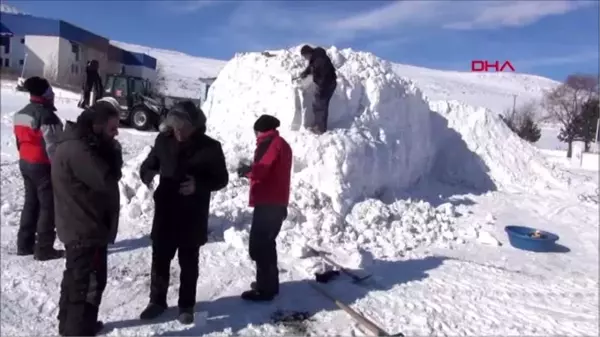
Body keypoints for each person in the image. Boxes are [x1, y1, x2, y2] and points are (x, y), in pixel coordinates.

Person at [138, 101, 229, 324]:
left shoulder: (211, 147)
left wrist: (198, 184)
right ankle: (157, 301)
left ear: (195, 126)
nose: (177, 131)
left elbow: (222, 179)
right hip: (166, 211)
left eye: (182, 127)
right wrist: (147, 173)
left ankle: (186, 305)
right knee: (160, 259)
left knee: (189, 262)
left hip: (192, 214)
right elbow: (150, 163)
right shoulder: (163, 140)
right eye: (174, 126)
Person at [52, 97, 123, 337]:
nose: (116, 134)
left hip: (79, 223)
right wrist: (113, 153)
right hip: (85, 228)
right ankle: (77, 331)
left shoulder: (78, 143)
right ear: (98, 125)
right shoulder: (80, 150)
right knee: (87, 283)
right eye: (113, 129)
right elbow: (107, 180)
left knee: (75, 278)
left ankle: (72, 326)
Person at [236, 114, 292, 301]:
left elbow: (263, 169)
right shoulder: (280, 143)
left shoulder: (270, 143)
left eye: (256, 131)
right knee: (266, 244)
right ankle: (268, 284)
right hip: (275, 202)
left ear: (261, 130)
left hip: (269, 203)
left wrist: (247, 171)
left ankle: (265, 289)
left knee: (261, 246)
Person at [13, 76, 64, 260]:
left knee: (30, 203)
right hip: (43, 165)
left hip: (25, 163)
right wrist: (59, 170)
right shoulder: (47, 116)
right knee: (47, 206)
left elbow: (19, 141)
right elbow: (53, 146)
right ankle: (44, 248)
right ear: (46, 94)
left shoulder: (20, 114)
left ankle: (24, 244)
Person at [298, 45, 337, 135]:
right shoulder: (316, 57)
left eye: (305, 56)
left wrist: (320, 89)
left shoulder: (320, 60)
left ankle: (320, 129)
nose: (305, 58)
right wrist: (305, 73)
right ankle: (318, 125)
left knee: (320, 105)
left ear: (308, 53)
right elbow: (312, 67)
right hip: (325, 83)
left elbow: (324, 76)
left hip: (327, 84)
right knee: (318, 105)